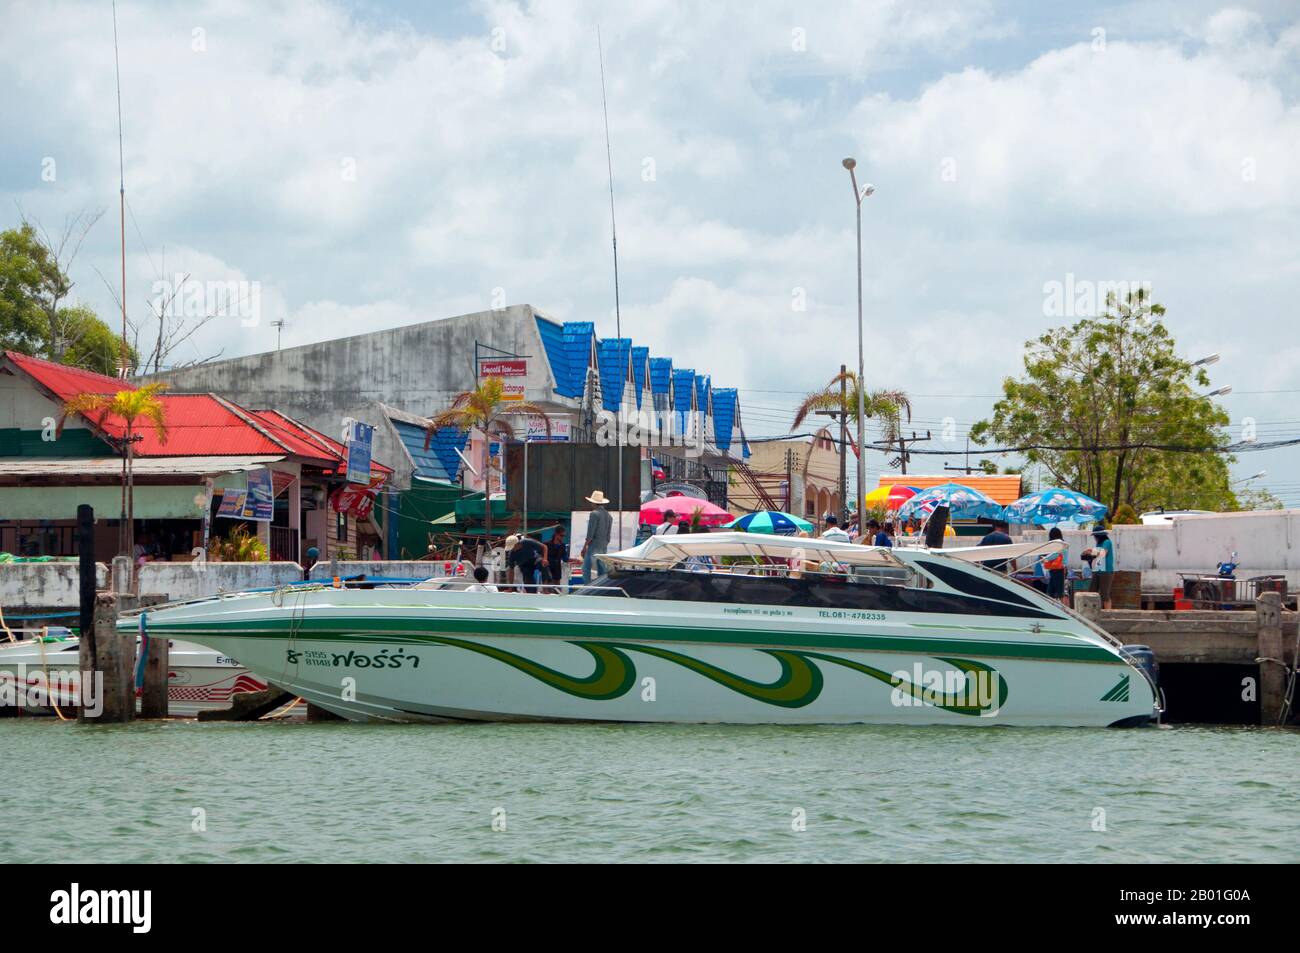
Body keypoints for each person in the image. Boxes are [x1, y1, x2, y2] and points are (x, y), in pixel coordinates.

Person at [580, 489, 613, 584]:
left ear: (594, 503)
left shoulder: (594, 514)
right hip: (603, 545)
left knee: (586, 568)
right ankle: (602, 586)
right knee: (602, 569)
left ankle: (587, 586)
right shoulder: (609, 515)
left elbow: (590, 533)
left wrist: (584, 547)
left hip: (594, 544)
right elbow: (608, 536)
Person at [1088, 528, 1116, 609]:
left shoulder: (1107, 542)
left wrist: (1091, 551)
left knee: (1104, 595)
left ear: (1099, 536)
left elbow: (1103, 553)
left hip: (1106, 571)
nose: (1094, 538)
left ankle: (1108, 614)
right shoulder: (1098, 544)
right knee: (1092, 592)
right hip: (1098, 570)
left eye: (1095, 536)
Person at [1043, 526, 1067, 602]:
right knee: (1055, 591)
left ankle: (1063, 609)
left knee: (1056, 592)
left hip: (1057, 569)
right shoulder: (1063, 543)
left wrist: (1045, 558)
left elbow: (1055, 554)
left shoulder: (1058, 544)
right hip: (1060, 569)